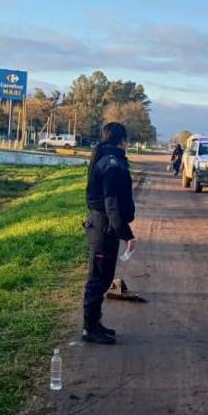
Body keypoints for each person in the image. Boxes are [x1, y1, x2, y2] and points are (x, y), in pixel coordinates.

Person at [82, 122, 137, 345]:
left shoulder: (106, 158)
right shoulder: (112, 164)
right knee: (98, 280)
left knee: (103, 278)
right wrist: (127, 235)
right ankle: (90, 329)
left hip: (103, 226)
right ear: (122, 140)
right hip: (104, 227)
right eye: (127, 140)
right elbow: (111, 203)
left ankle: (95, 324)